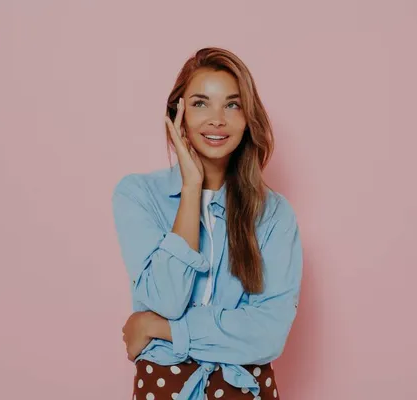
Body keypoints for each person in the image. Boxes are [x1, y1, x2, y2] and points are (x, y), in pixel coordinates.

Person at [112, 47, 303, 400]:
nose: (217, 119)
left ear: (249, 119)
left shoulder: (275, 213)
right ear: (177, 114)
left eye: (232, 104)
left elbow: (268, 333)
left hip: (243, 388)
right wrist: (191, 189)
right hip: (162, 385)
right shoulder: (138, 195)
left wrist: (163, 328)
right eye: (201, 103)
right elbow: (167, 299)